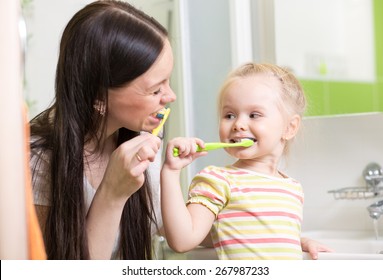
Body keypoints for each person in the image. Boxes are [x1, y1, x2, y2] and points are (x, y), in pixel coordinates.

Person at [29, 0, 176, 260]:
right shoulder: (37, 161)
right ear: (99, 98)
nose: (171, 96)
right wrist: (112, 193)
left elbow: (173, 230)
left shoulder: (145, 139)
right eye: (156, 89)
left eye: (168, 82)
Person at [161, 63, 332, 260]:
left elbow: (249, 234)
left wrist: (299, 241)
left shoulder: (292, 189)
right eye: (229, 115)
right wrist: (170, 173)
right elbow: (183, 240)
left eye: (254, 115)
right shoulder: (217, 181)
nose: (238, 124)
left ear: (289, 127)